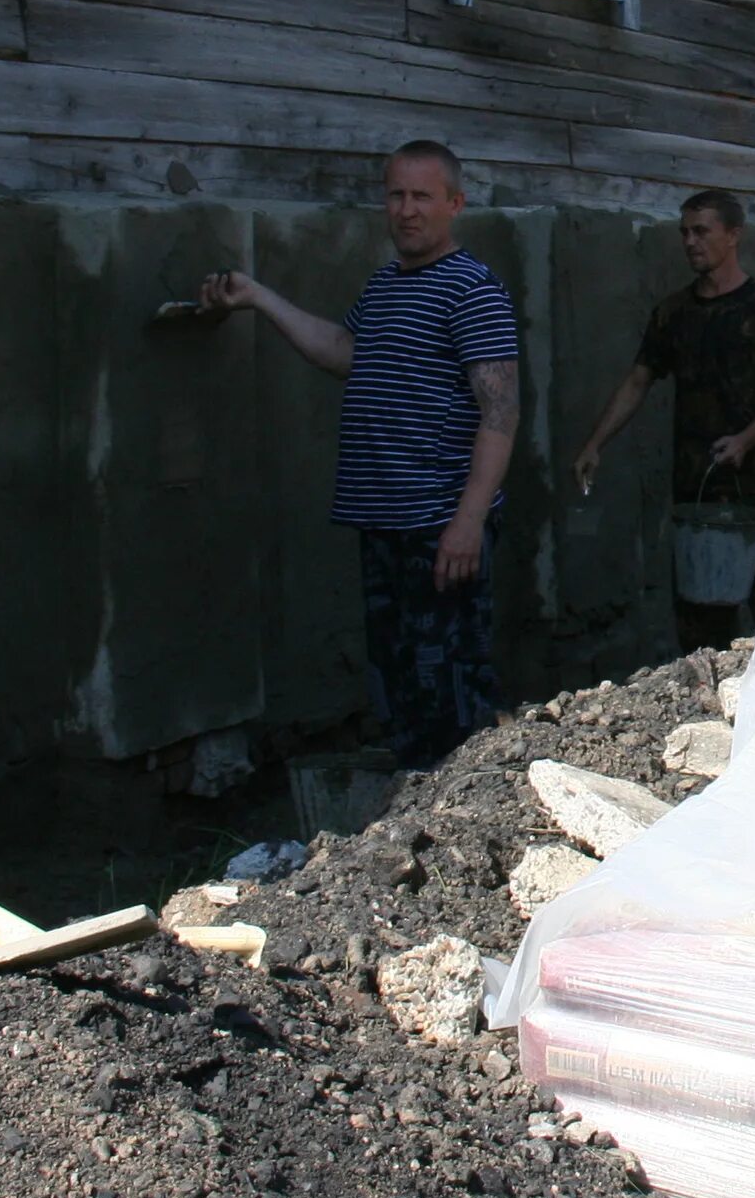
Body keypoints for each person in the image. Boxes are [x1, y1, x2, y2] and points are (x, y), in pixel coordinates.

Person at [201, 141, 520, 769]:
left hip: (438, 525)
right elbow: (348, 351)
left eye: (422, 196)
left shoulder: (473, 289)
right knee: (397, 682)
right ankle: (415, 812)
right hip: (384, 522)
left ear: (454, 204)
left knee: (450, 688)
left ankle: (472, 815)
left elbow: (501, 413)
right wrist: (259, 298)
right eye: (396, 195)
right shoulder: (384, 286)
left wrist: (467, 521)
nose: (406, 210)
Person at [574, 189, 755, 649]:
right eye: (684, 232)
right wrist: (594, 444)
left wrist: (745, 440)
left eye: (701, 231)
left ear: (733, 235)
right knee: (703, 630)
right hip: (697, 491)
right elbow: (637, 381)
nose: (690, 242)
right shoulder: (674, 314)